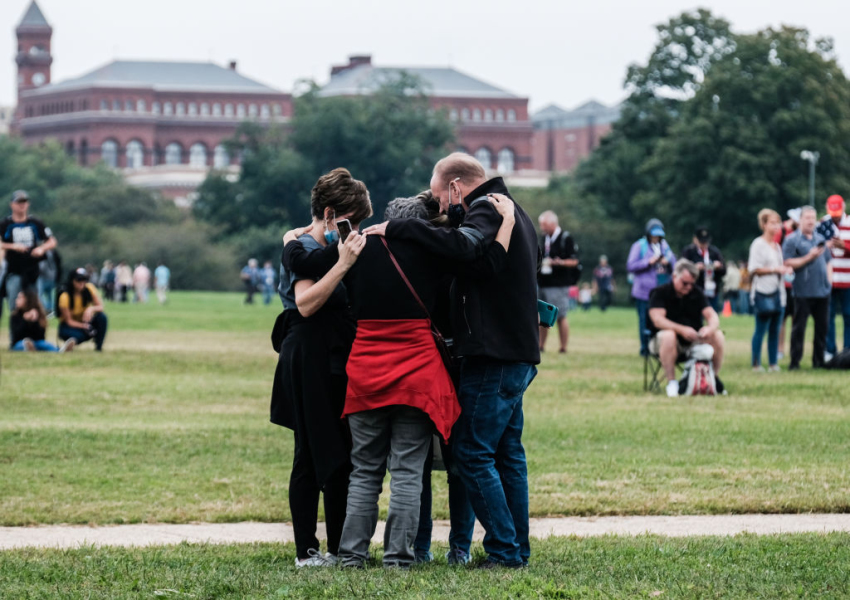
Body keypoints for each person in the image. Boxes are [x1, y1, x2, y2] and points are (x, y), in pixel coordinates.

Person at [363, 152, 540, 569]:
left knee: (472, 451)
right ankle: (516, 548)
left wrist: (403, 226)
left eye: (443, 197)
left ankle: (505, 551)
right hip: (516, 351)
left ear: (457, 187)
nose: (443, 207)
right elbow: (486, 264)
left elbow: (464, 246)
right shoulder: (515, 213)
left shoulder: (486, 208)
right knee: (507, 454)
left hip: (493, 355)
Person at [271, 168, 373, 568]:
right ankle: (306, 551)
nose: (355, 230)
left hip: (335, 357)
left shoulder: (308, 245)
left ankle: (338, 547)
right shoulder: (308, 251)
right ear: (330, 215)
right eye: (351, 221)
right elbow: (307, 303)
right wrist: (343, 263)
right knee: (310, 456)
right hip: (309, 358)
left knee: (341, 455)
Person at [648, 260, 725, 397]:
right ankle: (672, 383)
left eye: (691, 284)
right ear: (674, 277)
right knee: (668, 335)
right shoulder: (660, 292)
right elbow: (657, 320)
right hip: (663, 343)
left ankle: (713, 378)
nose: (688, 287)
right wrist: (681, 330)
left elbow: (711, 315)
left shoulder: (697, 293)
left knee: (718, 335)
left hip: (693, 342)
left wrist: (709, 329)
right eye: (685, 283)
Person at [783, 206, 832, 370]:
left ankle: (818, 361)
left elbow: (828, 261)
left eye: (813, 218)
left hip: (822, 292)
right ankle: (795, 361)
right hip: (803, 291)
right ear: (800, 220)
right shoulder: (792, 240)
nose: (811, 221)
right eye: (807, 218)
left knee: (822, 328)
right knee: (799, 329)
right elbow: (788, 262)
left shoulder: (820, 238)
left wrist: (829, 282)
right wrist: (808, 257)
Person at [0, 190, 58, 318]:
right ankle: (16, 336)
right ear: (12, 205)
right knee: (15, 306)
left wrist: (41, 249)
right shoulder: (6, 224)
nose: (22, 205)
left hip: (33, 271)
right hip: (14, 271)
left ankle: (34, 335)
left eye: (24, 202)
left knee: (34, 305)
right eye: (19, 202)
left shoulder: (36, 223)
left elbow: (52, 241)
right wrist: (13, 246)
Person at [748, 209, 791, 372]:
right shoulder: (758, 244)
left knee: (775, 329)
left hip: (778, 293)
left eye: (778, 223)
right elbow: (754, 269)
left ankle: (773, 363)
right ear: (764, 225)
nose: (776, 226)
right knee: (760, 330)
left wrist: (785, 271)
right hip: (762, 292)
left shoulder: (777, 247)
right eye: (772, 223)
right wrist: (776, 269)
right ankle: (756, 363)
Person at [627, 218, 677, 356]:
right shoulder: (639, 246)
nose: (656, 238)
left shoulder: (664, 246)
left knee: (661, 320)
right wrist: (648, 262)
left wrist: (669, 261)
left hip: (662, 290)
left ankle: (659, 347)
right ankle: (645, 349)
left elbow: (675, 263)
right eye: (653, 235)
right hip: (644, 292)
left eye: (658, 235)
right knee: (644, 321)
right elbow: (630, 266)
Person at [536, 211, 579, 353]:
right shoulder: (544, 238)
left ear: (553, 223)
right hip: (543, 281)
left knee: (560, 315)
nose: (542, 228)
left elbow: (574, 261)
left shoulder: (565, 238)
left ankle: (563, 347)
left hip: (558, 284)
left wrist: (559, 263)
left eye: (545, 225)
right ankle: (541, 346)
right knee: (541, 315)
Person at [57, 267, 108, 351]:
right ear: (72, 281)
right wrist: (83, 326)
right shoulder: (65, 296)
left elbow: (100, 307)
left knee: (102, 317)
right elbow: (68, 321)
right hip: (70, 326)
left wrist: (91, 309)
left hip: (85, 323)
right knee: (78, 335)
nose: (82, 283)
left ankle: (98, 347)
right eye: (78, 280)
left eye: (84, 280)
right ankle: (71, 342)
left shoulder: (89, 289)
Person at [824, 195, 850, 359]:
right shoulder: (823, 223)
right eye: (832, 212)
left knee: (849, 316)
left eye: (838, 212)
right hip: (829, 279)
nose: (835, 216)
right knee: (828, 317)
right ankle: (830, 351)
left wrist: (845, 247)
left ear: (844, 208)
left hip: (848, 280)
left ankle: (847, 351)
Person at [680, 227, 726, 313]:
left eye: (706, 242)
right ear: (695, 240)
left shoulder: (714, 252)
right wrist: (694, 268)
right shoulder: (689, 252)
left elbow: (724, 270)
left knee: (713, 315)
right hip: (694, 289)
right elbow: (681, 268)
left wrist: (718, 267)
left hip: (712, 289)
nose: (704, 244)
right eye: (702, 242)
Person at [776, 209, 800, 360]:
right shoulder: (782, 231)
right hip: (784, 283)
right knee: (782, 319)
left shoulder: (801, 232)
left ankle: (794, 350)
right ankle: (779, 349)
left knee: (796, 320)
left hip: (798, 284)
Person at [37, 249, 60, 314]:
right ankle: (51, 309)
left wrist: (37, 271)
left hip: (44, 277)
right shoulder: (54, 254)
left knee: (40, 294)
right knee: (50, 295)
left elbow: (42, 266)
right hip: (53, 277)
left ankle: (47, 309)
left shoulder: (45, 254)